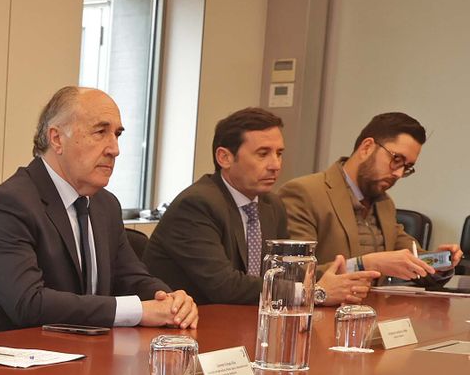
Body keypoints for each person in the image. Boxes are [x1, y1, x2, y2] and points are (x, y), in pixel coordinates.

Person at [0, 86, 196, 331]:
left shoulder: (105, 204)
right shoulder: (10, 205)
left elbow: (131, 279)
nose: (114, 149)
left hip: (88, 356)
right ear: (56, 139)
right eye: (100, 132)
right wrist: (139, 310)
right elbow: (29, 304)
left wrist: (171, 302)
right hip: (19, 359)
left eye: (117, 134)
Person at [143, 107, 378, 306]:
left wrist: (337, 279)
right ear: (224, 157)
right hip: (190, 331)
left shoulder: (271, 204)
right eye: (263, 154)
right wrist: (313, 293)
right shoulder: (197, 205)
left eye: (279, 153)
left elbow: (287, 273)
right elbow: (225, 286)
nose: (275, 165)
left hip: (245, 323)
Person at [278, 111, 461, 278]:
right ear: (367, 148)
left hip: (375, 310)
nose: (398, 173)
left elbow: (411, 258)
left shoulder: (384, 203)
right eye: (396, 159)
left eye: (407, 167)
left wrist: (439, 262)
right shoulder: (304, 193)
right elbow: (293, 273)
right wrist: (363, 265)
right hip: (327, 311)